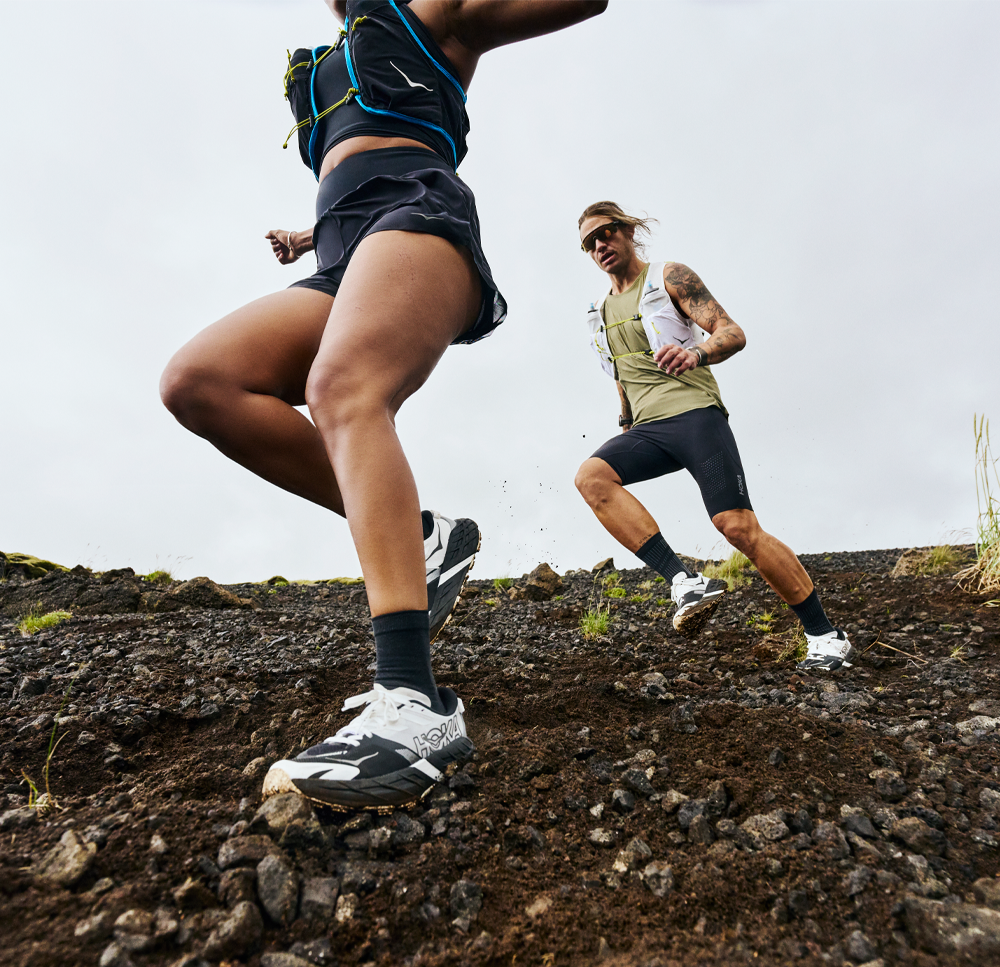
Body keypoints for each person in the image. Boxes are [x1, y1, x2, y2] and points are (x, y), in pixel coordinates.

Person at [160, 0, 607, 810]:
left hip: (418, 218)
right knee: (199, 381)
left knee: (342, 389)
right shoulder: (331, 58)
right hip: (342, 248)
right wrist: (306, 236)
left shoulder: (427, 11)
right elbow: (348, 158)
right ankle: (426, 537)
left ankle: (416, 705)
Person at [574, 202, 854, 672]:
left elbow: (732, 331)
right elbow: (621, 374)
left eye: (606, 233)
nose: (600, 245)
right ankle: (684, 581)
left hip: (695, 417)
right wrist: (624, 421)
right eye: (589, 242)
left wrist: (697, 354)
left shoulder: (669, 277)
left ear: (628, 232)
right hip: (647, 429)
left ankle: (826, 635)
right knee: (592, 478)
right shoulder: (597, 312)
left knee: (738, 528)